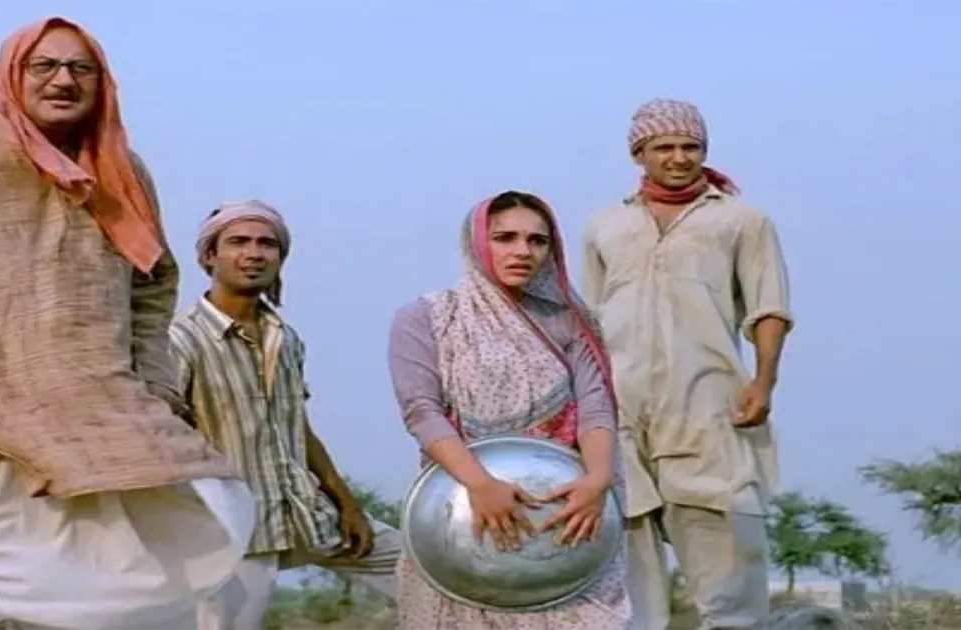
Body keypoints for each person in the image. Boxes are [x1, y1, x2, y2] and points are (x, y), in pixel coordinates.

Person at [0, 17, 255, 630]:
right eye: (44, 66)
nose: (63, 81)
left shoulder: (123, 172)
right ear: (11, 76)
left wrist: (156, 386)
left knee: (123, 554)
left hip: (98, 408)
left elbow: (152, 289)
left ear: (101, 83)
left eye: (79, 69)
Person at [581, 98, 794, 630]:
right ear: (639, 154)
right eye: (664, 147)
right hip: (621, 410)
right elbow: (589, 322)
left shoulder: (740, 220)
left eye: (690, 147)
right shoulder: (607, 226)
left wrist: (764, 381)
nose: (678, 158)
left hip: (708, 406)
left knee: (728, 568)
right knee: (629, 572)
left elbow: (769, 307)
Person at [387, 190, 632, 628]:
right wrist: (481, 485)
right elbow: (421, 411)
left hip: (564, 513)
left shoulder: (568, 320)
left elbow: (595, 407)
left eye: (537, 241)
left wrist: (598, 480)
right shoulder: (427, 317)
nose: (523, 251)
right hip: (463, 512)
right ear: (477, 242)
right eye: (505, 238)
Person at [169, 200, 401, 629]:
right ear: (209, 256)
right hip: (234, 529)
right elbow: (165, 433)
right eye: (238, 242)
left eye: (266, 244)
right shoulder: (181, 339)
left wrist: (348, 505)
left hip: (303, 509)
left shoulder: (284, 337)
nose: (254, 253)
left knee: (420, 569)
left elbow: (297, 427)